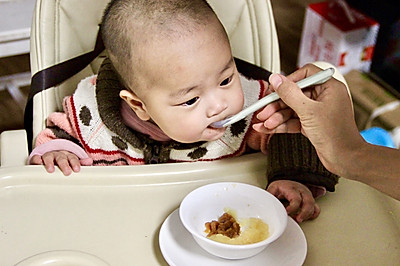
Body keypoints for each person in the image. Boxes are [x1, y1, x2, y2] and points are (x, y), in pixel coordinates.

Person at [28, 0, 339, 222]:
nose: (219, 104)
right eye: (191, 100)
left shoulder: (251, 107)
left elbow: (289, 129)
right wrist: (58, 152)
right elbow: (60, 133)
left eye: (225, 78)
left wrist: (293, 177)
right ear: (139, 105)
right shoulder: (92, 116)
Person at [253, 63, 400, 201]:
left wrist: (290, 177)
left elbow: (290, 137)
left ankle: (382, 138)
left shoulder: (253, 100)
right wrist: (351, 152)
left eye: (228, 80)